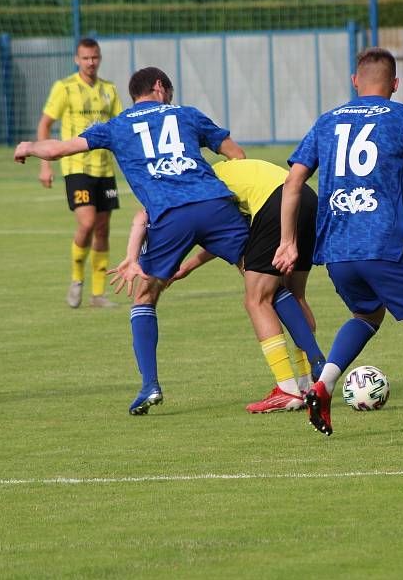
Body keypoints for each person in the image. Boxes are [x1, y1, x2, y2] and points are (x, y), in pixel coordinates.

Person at [15, 67, 250, 415]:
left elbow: (60, 149)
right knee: (266, 282)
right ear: (159, 87)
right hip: (213, 207)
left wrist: (30, 147)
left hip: (169, 217)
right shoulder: (186, 114)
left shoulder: (118, 125)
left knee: (144, 295)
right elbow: (238, 157)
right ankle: (313, 372)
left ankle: (150, 384)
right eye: (168, 90)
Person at [273, 47, 403, 443]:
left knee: (366, 315)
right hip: (384, 245)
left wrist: (289, 241)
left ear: (355, 81)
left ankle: (321, 386)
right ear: (395, 84)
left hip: (337, 250)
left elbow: (292, 182)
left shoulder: (328, 121)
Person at [111, 158, 326, 414]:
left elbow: (208, 227)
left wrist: (137, 257)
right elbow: (223, 231)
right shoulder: (221, 172)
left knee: (258, 298)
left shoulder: (200, 183)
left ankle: (288, 389)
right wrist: (189, 266)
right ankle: (308, 381)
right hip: (304, 196)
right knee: (293, 293)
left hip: (276, 202)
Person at [37, 38, 123, 308]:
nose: (91, 63)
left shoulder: (109, 89)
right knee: (86, 223)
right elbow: (45, 124)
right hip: (76, 167)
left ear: (100, 58)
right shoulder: (65, 88)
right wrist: (45, 164)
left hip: (104, 168)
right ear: (77, 59)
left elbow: (120, 127)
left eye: (95, 57)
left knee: (102, 228)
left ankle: (98, 295)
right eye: (85, 58)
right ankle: (76, 279)